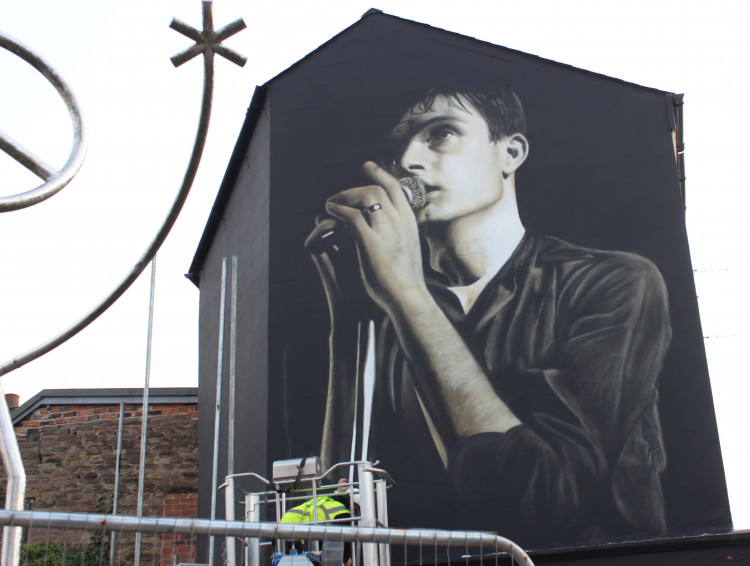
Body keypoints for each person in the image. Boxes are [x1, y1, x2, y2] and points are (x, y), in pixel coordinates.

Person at [304, 83, 672, 545]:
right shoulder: (391, 310)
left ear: (510, 152)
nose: (410, 161)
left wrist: (406, 293)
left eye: (440, 134)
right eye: (395, 150)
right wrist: (350, 324)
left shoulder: (613, 283)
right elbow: (337, 507)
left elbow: (544, 503)